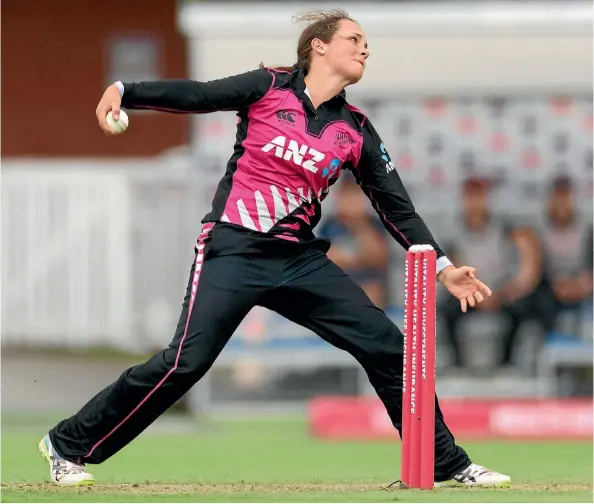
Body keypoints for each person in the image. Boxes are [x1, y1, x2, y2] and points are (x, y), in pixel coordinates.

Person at [38, 10, 510, 488]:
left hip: (297, 261)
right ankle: (66, 445)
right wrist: (126, 90)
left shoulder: (356, 130)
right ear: (318, 46)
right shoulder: (268, 86)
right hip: (233, 249)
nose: (365, 48)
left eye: (367, 42)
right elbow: (201, 95)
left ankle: (444, 464)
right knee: (184, 363)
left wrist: (442, 266)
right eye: (354, 38)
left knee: (390, 347)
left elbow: (398, 209)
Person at [440, 177, 548, 372]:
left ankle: (508, 363)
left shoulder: (505, 228)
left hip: (500, 292)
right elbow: (452, 268)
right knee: (447, 310)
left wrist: (506, 292)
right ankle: (457, 365)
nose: (475, 203)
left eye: (479, 196)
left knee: (522, 310)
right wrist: (475, 294)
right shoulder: (454, 233)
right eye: (470, 197)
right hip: (470, 293)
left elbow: (528, 258)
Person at [318, 172, 390, 307]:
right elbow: (328, 260)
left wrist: (358, 222)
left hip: (370, 283)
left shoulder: (374, 224)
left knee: (370, 293)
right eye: (348, 194)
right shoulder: (329, 225)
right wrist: (360, 258)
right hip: (339, 282)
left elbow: (378, 257)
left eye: (356, 194)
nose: (352, 199)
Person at [538, 175, 593, 333]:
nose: (562, 204)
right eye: (558, 198)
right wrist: (555, 285)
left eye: (566, 198)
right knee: (538, 302)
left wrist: (586, 283)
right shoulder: (539, 230)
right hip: (551, 287)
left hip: (583, 285)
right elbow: (535, 269)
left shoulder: (586, 229)